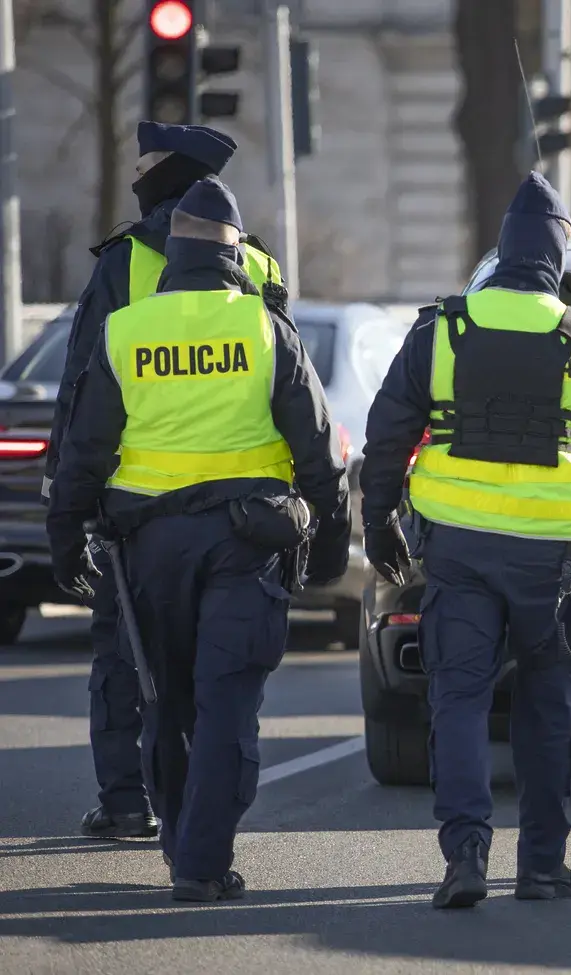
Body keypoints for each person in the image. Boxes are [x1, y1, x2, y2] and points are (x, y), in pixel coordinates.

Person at [46, 177, 350, 902]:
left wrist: (66, 542)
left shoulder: (128, 332)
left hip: (148, 549)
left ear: (172, 254)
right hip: (247, 546)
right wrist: (333, 547)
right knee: (228, 703)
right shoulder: (262, 328)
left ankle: (184, 843)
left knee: (168, 705)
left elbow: (83, 452)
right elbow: (319, 453)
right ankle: (200, 860)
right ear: (236, 254)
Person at [359, 172, 571, 909]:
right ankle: (543, 866)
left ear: (501, 248)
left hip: (457, 548)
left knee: (457, 699)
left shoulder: (443, 327)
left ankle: (466, 853)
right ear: (558, 254)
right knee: (547, 709)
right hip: (551, 557)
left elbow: (387, 433)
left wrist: (380, 522)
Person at [44, 121, 282, 842]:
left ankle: (126, 799)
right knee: (215, 670)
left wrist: (68, 489)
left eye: (145, 165)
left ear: (167, 176)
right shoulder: (262, 267)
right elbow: (285, 381)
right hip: (242, 508)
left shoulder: (122, 264)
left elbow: (83, 381)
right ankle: (198, 817)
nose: (136, 175)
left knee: (125, 653)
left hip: (137, 499)